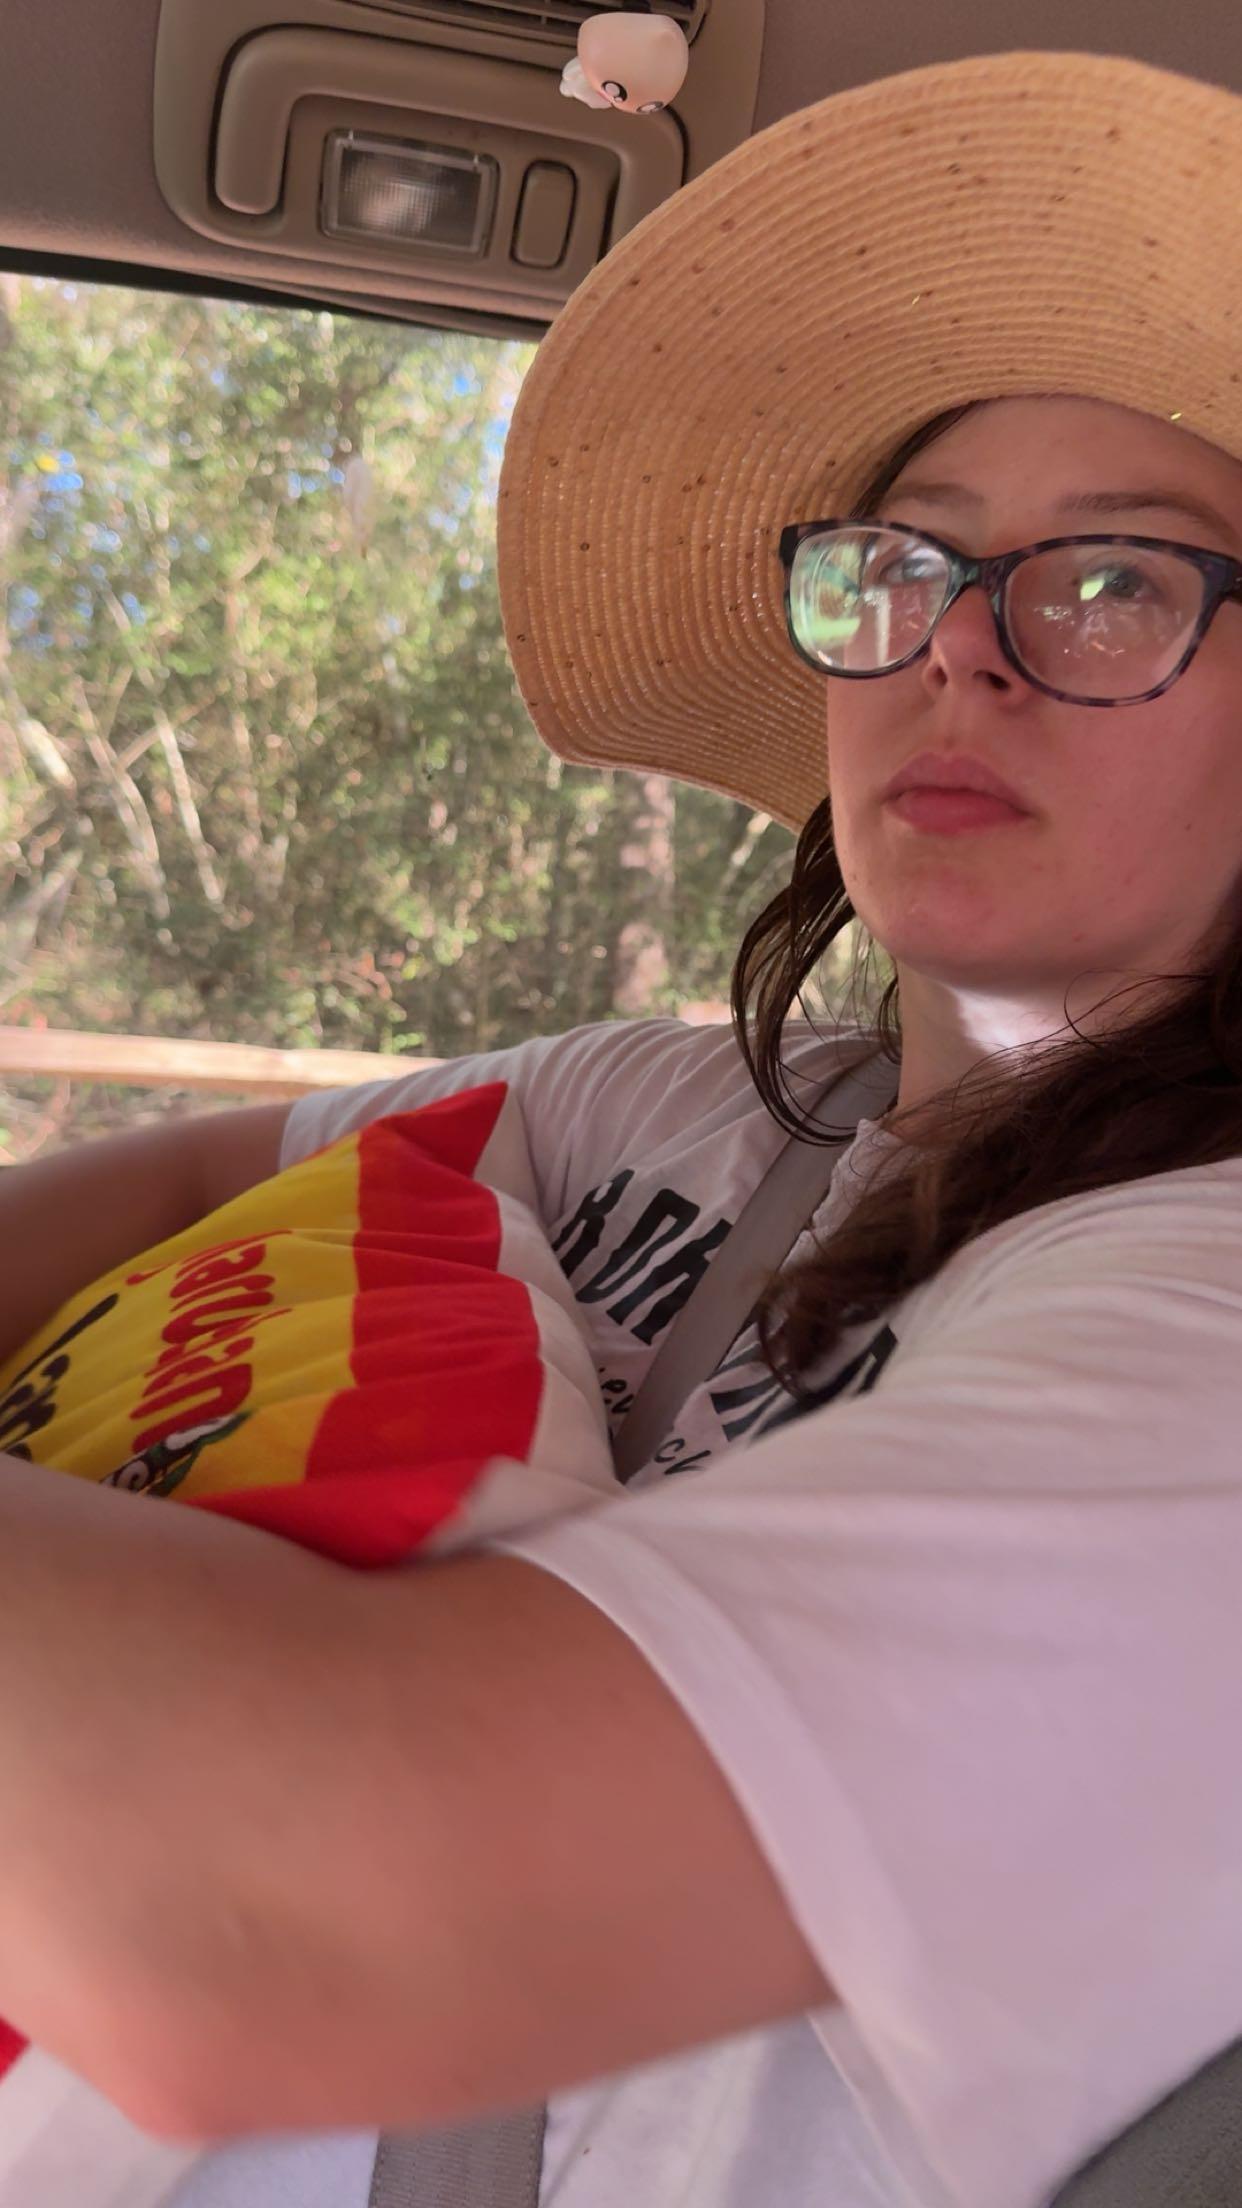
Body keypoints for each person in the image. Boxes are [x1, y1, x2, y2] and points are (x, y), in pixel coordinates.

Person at [2, 42, 1242, 2208]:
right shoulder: (665, 1105)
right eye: (904, 567)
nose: (960, 654)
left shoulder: (1202, 1320)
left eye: (1115, 583)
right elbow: (203, 1176)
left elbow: (302, 1920)